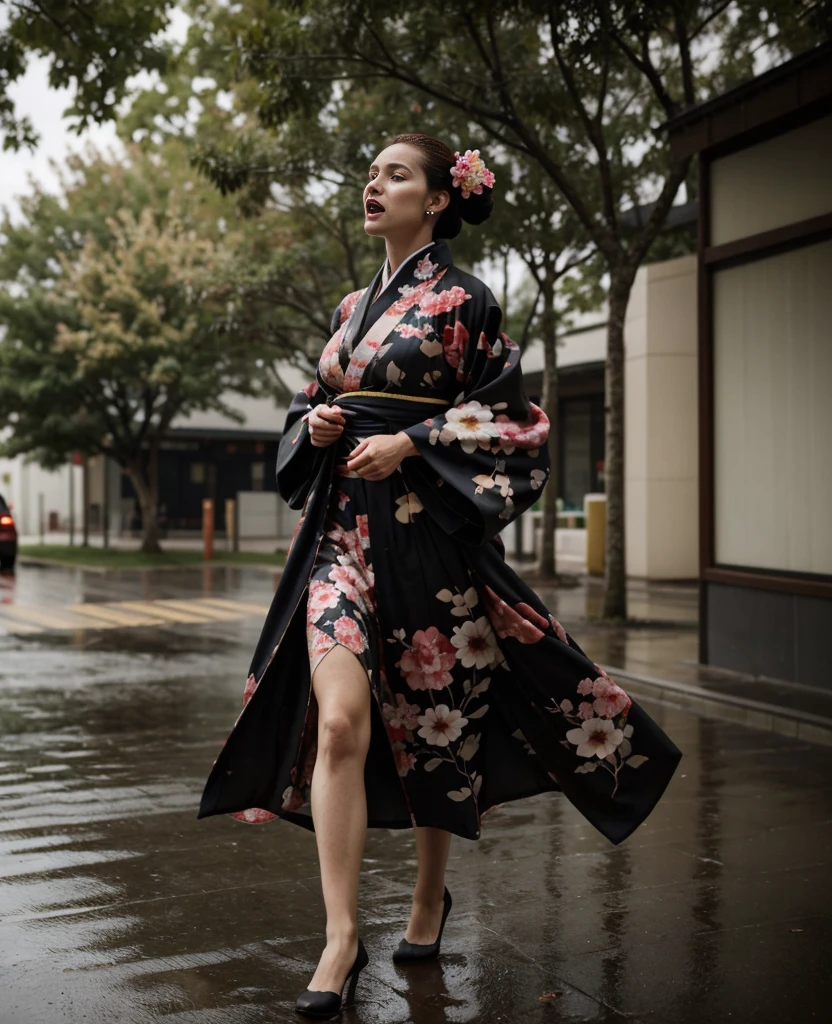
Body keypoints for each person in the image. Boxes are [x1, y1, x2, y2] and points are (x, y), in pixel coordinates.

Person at [199, 133, 681, 1019]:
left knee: (434, 731)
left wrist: (412, 442)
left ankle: (427, 896)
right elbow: (314, 402)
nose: (374, 184)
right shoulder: (351, 306)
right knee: (339, 721)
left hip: (428, 543)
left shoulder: (467, 301)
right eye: (372, 173)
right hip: (340, 536)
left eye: (396, 174)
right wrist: (315, 427)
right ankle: (341, 936)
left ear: (437, 201)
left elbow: (514, 421)